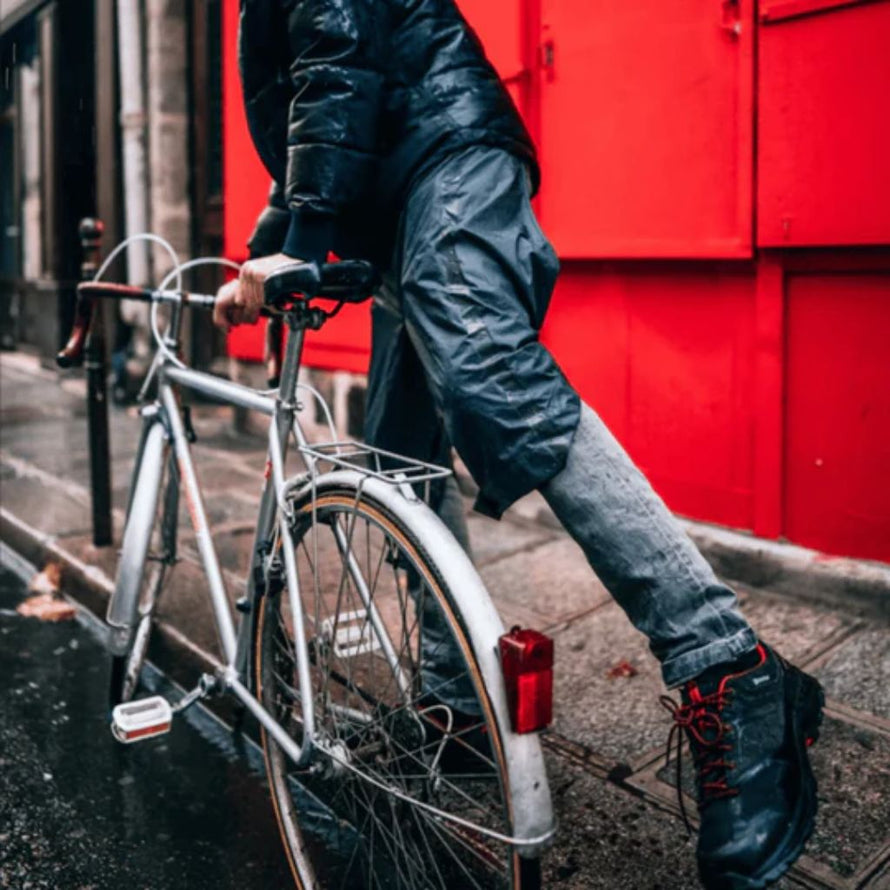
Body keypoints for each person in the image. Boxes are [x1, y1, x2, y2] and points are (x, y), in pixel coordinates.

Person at [213, 1, 824, 887]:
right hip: (396, 204)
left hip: (444, 159)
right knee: (397, 466)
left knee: (492, 381)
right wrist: (260, 258)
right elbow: (314, 105)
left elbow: (337, 66)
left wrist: (300, 243)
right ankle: (458, 712)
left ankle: (732, 669)